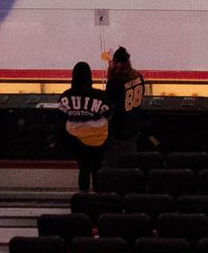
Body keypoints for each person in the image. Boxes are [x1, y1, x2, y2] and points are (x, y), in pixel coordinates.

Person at [59, 61, 111, 193]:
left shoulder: (66, 96)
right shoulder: (99, 95)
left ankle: (84, 198)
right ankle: (98, 199)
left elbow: (61, 116)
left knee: (83, 168)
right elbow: (109, 112)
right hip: (97, 139)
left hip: (76, 140)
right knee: (96, 169)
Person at [105, 46, 147, 152]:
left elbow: (109, 107)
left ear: (116, 63)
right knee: (130, 163)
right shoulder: (138, 77)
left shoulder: (114, 83)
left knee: (115, 164)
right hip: (133, 128)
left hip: (118, 131)